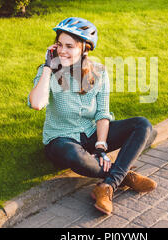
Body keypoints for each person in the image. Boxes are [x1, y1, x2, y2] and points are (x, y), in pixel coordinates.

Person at [28, 17, 157, 215]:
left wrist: (101, 145)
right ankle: (123, 176)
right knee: (76, 157)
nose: (62, 50)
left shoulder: (99, 72)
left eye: (69, 46)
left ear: (84, 48)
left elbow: (102, 113)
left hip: (91, 134)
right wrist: (47, 66)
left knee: (143, 125)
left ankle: (107, 186)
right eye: (59, 45)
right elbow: (36, 103)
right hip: (61, 140)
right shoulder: (49, 72)